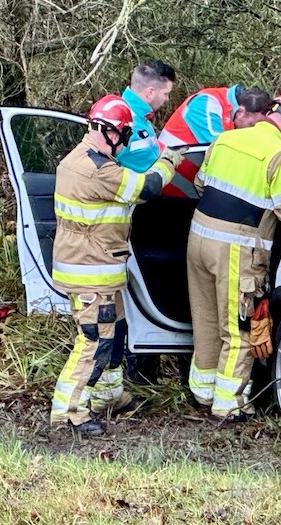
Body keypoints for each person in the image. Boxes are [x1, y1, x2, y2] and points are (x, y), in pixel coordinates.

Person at [49, 95, 184, 437]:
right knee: (93, 341)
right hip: (91, 270)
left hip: (91, 265)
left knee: (113, 331)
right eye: (123, 135)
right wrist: (168, 159)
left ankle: (108, 395)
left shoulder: (79, 158)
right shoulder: (99, 170)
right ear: (112, 132)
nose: (124, 142)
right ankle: (69, 414)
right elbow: (147, 187)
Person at [186, 90, 281, 420]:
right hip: (236, 249)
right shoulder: (280, 155)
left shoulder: (227, 140)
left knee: (205, 320)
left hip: (198, 239)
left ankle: (203, 390)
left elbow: (202, 184)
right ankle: (227, 403)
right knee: (238, 329)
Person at [159, 85, 278, 147]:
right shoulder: (206, 103)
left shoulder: (230, 113)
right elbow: (220, 147)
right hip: (163, 177)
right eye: (251, 125)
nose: (250, 131)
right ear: (241, 112)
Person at [112, 60, 176, 173]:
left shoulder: (141, 117)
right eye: (165, 93)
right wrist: (167, 162)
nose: (167, 99)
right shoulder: (121, 123)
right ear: (150, 92)